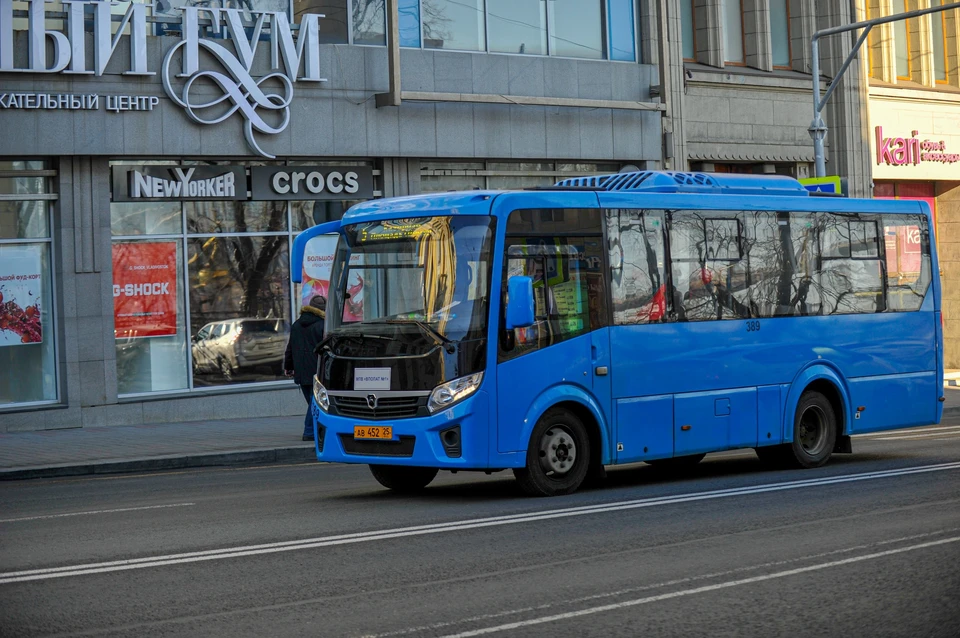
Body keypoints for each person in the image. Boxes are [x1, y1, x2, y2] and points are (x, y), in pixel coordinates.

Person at [284, 295, 326, 441]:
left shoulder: (296, 325)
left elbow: (290, 348)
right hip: (316, 370)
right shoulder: (322, 325)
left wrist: (288, 367)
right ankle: (309, 431)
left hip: (301, 371)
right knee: (315, 402)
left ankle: (317, 429)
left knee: (312, 402)